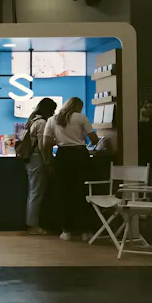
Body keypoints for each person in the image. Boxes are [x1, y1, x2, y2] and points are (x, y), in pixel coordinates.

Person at [42, 97, 100, 242]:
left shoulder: (53, 119)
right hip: (80, 156)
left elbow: (46, 142)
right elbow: (94, 139)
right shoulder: (81, 118)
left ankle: (67, 230)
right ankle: (86, 230)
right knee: (82, 192)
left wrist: (60, 140)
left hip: (62, 156)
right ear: (79, 107)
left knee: (64, 193)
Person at [24, 98, 58, 236]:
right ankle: (33, 225)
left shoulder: (32, 120)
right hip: (38, 159)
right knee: (36, 192)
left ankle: (31, 223)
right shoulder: (42, 123)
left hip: (31, 160)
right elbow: (43, 146)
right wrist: (48, 162)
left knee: (34, 191)